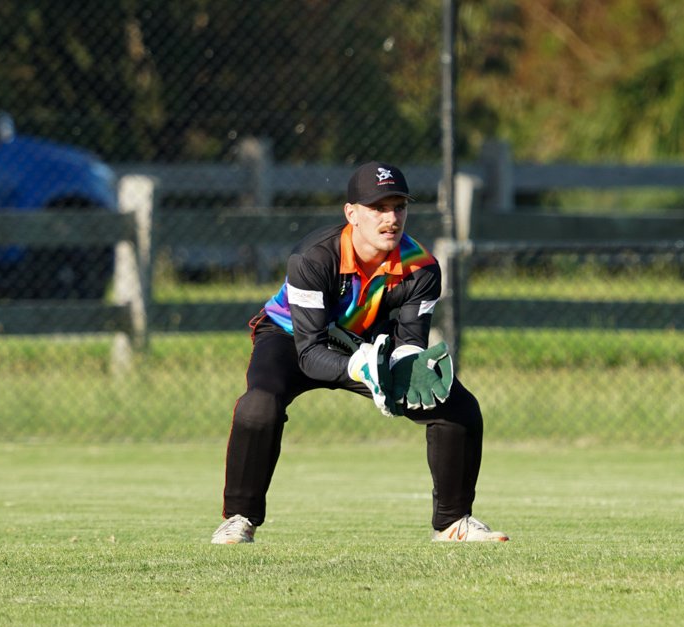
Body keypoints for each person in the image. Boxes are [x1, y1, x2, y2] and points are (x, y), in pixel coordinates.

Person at [210, 161, 508, 544]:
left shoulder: (422, 269)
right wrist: (360, 367)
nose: (391, 218)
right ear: (351, 214)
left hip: (370, 346)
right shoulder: (313, 258)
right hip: (293, 339)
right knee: (258, 406)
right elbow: (309, 352)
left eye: (398, 206)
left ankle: (454, 523)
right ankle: (239, 518)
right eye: (378, 208)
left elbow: (409, 344)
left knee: (458, 407)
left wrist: (402, 370)